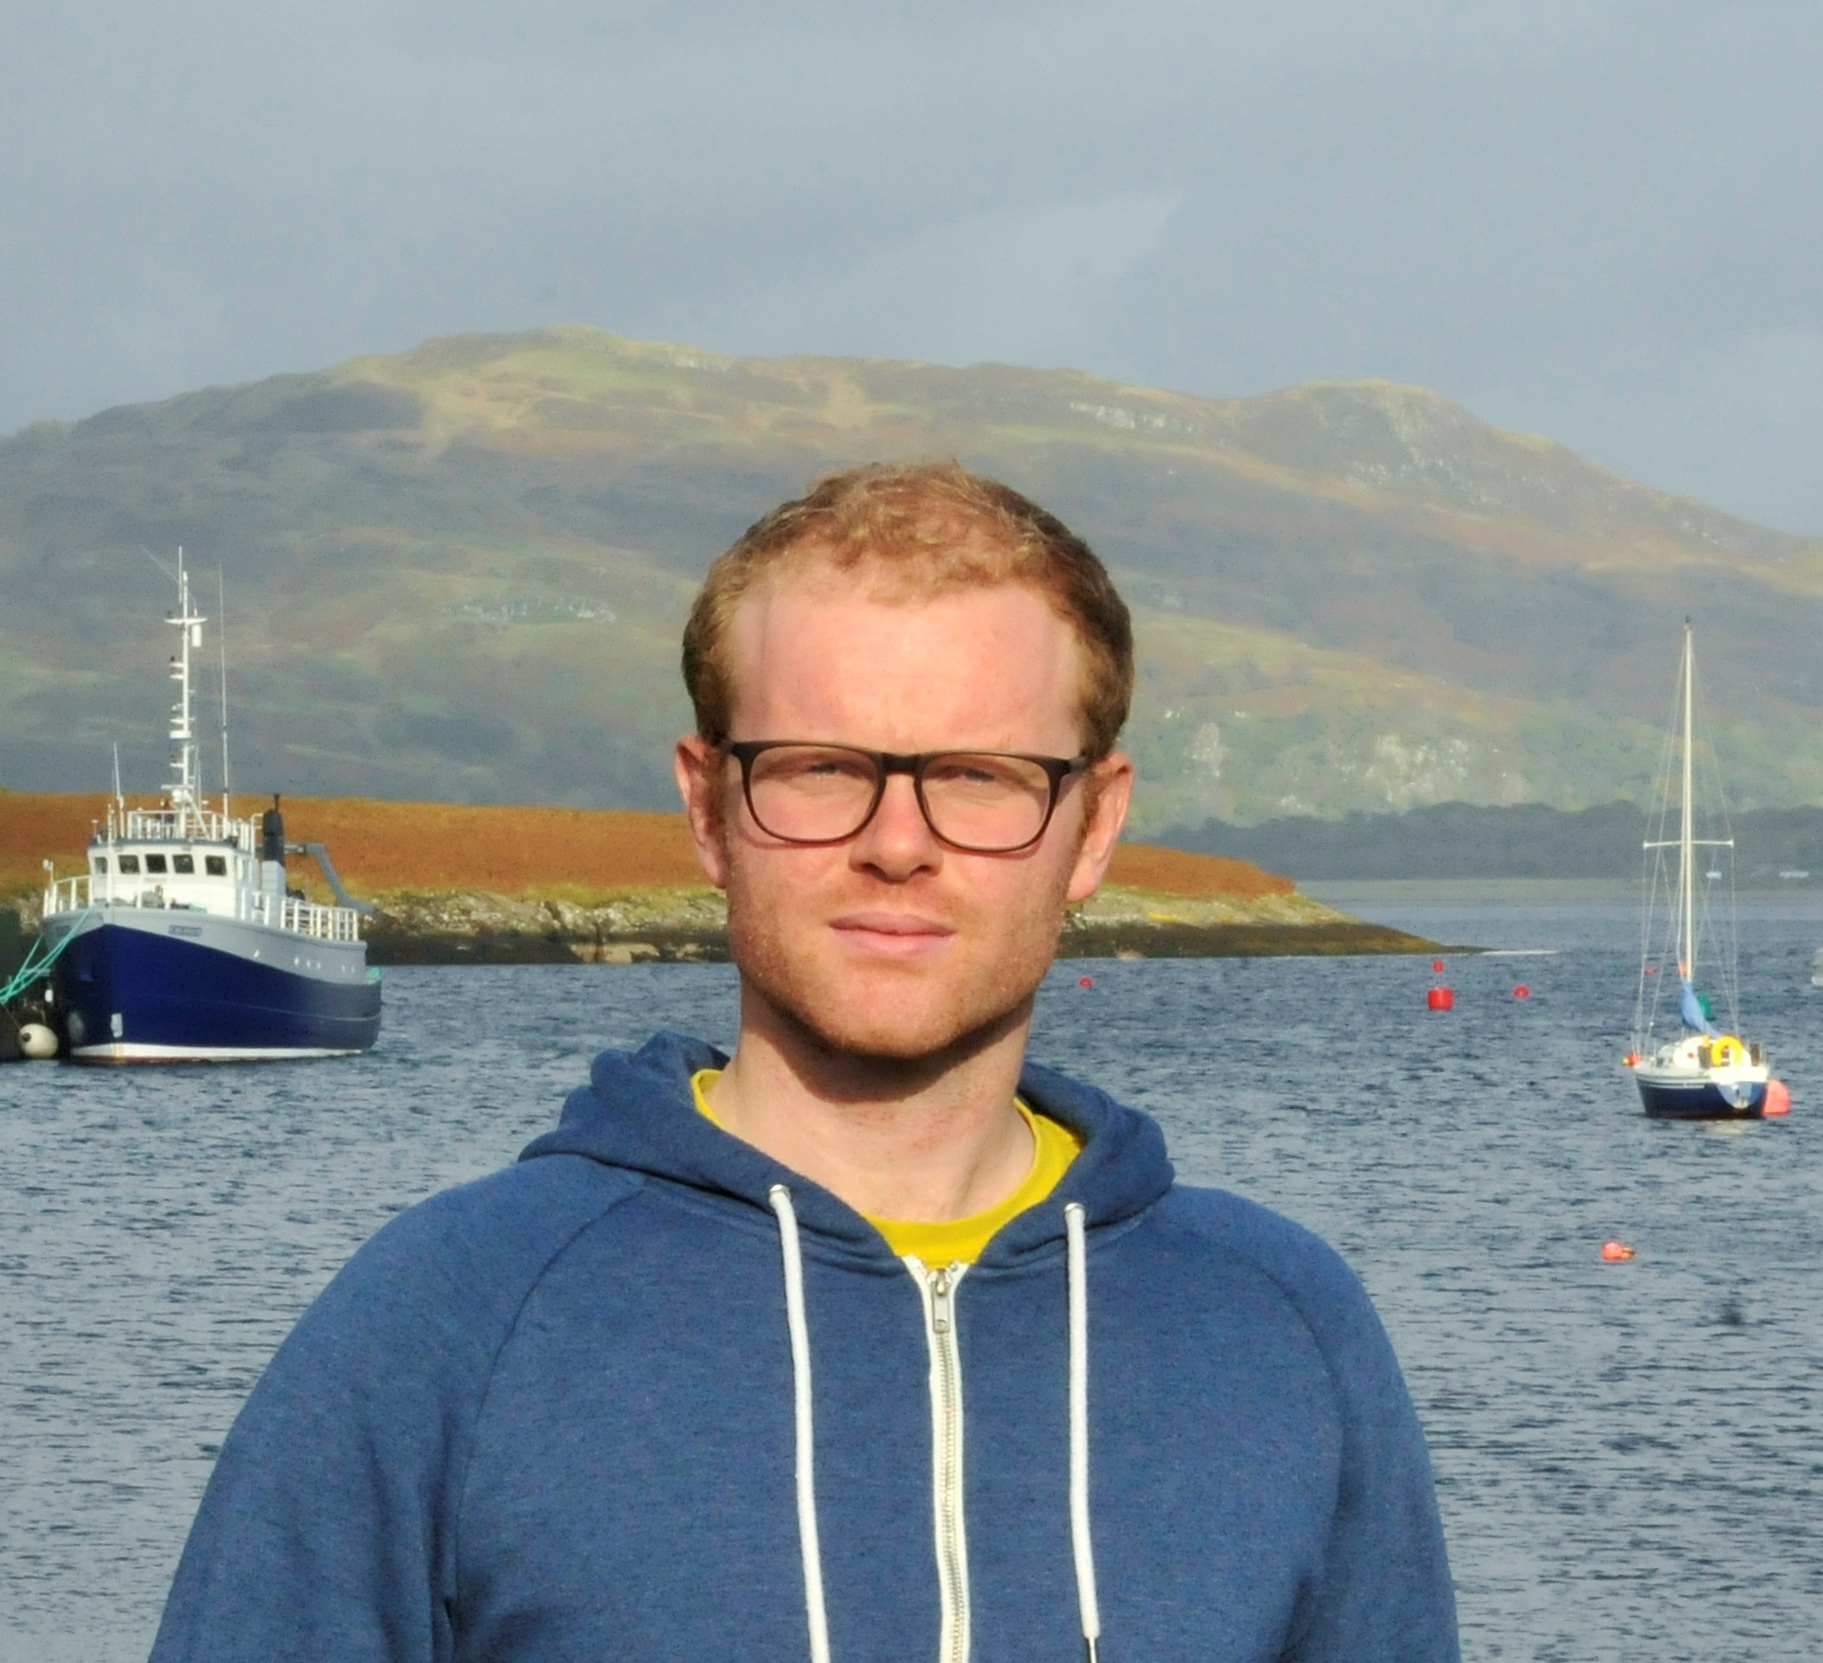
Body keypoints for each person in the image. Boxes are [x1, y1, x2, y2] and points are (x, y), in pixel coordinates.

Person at [151, 463, 1459, 1663]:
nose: (898, 842)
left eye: (982, 775)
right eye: (822, 768)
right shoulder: (446, 1323)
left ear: (1096, 824)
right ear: (707, 807)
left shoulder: (1281, 1331)